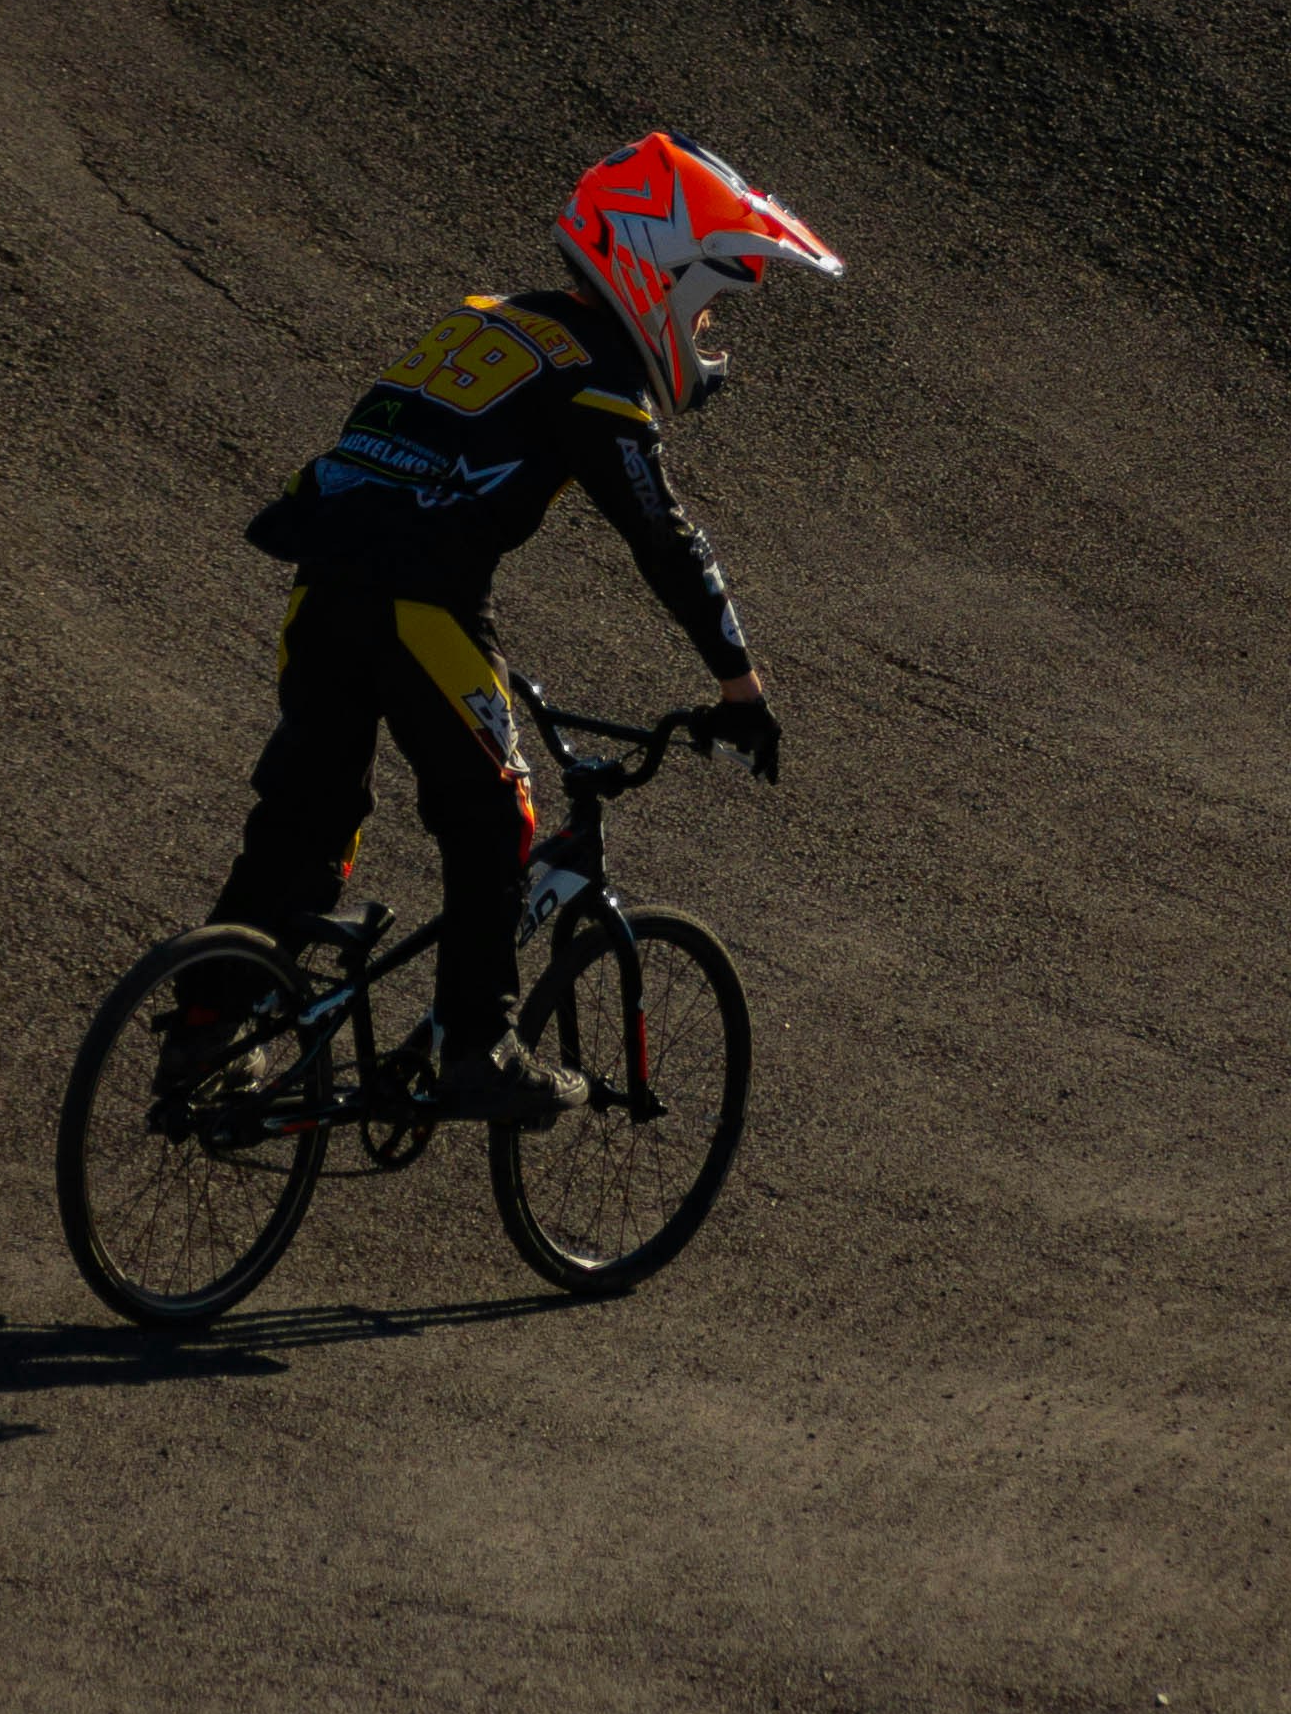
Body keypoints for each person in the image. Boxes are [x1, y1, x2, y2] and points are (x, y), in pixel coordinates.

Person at [181, 134, 843, 1126]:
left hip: (318, 586)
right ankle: (475, 1042)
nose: (703, 328)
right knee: (496, 817)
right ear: (656, 272)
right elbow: (664, 538)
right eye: (705, 301)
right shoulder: (596, 374)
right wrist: (738, 685)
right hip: (417, 601)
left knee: (304, 823)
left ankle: (204, 1031)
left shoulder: (487, 320)